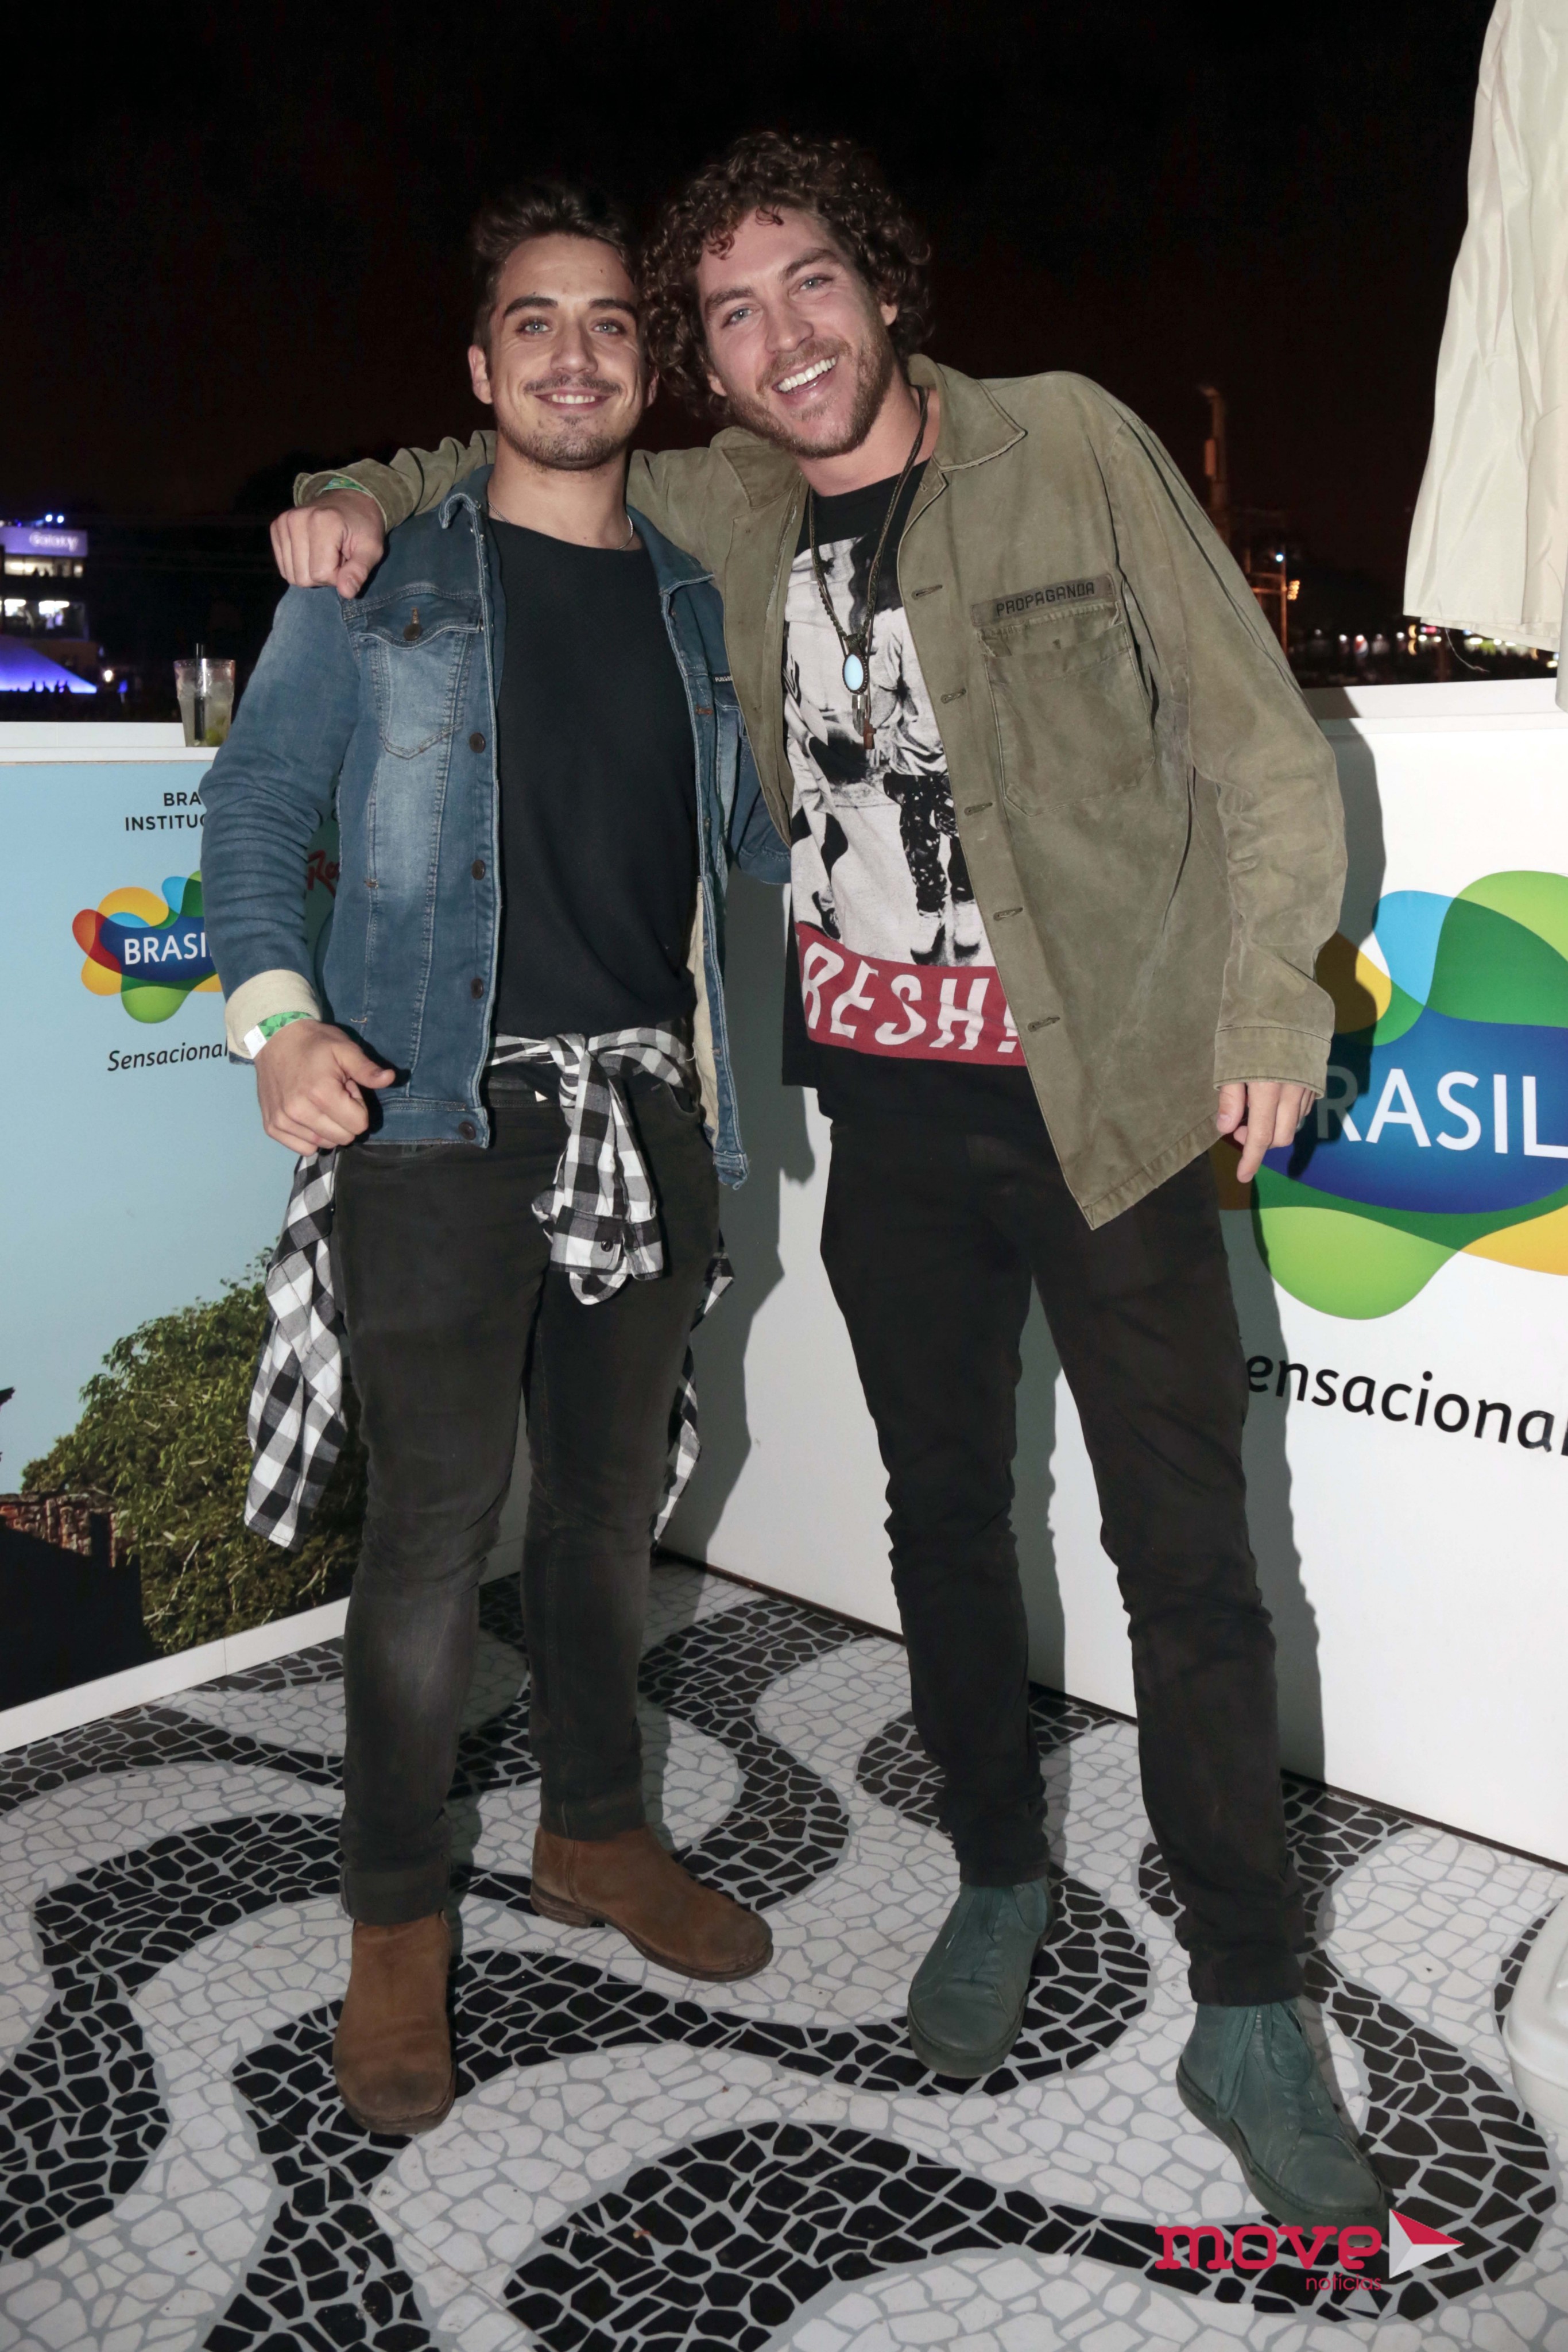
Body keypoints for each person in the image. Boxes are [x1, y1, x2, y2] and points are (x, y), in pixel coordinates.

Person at [268, 134, 1384, 2228]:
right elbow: (486, 447)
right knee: (943, 1524)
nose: (778, 337)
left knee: (1185, 1562)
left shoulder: (1066, 441)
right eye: (730, 313)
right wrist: (338, 487)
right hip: (889, 1124)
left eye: (808, 285)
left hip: (1112, 1105)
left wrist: (1267, 1001)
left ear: (880, 287)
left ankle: (1248, 1998)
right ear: (703, 363)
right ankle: (993, 1874)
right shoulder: (721, 502)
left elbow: (1255, 742)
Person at [203, 181, 788, 2138]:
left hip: (647, 1112)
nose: (573, 353)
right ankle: (394, 1923)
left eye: (609, 322)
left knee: (607, 1518)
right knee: (433, 1544)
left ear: (648, 366)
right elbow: (255, 811)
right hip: (436, 1118)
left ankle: (593, 1833)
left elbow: (744, 852)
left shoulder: (692, 599)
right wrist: (277, 1021)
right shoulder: (369, 584)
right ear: (479, 369)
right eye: (534, 322)